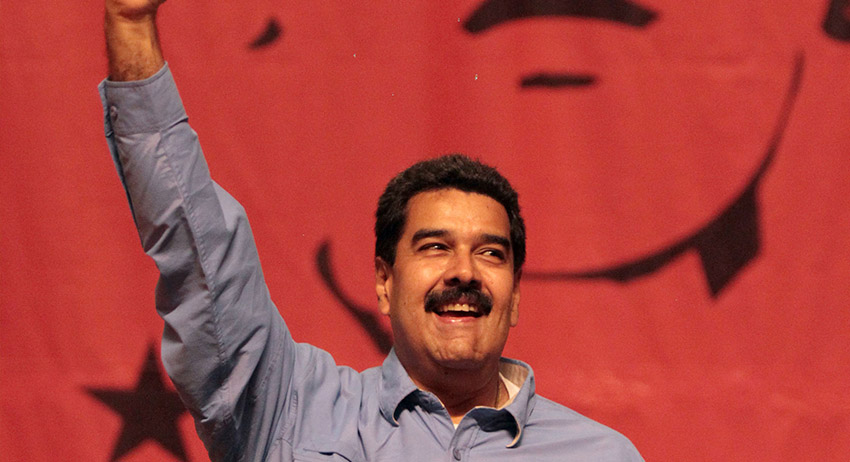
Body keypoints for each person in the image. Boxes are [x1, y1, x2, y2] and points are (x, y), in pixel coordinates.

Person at [100, 0, 644, 460]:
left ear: (516, 295)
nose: (464, 272)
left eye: (490, 253)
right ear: (384, 281)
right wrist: (131, 24)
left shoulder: (600, 454)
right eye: (435, 246)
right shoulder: (292, 412)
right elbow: (203, 259)